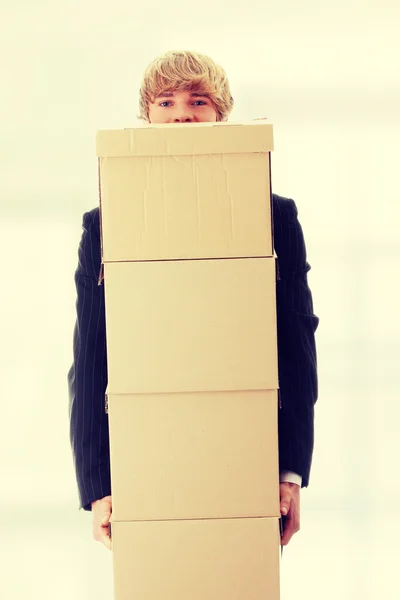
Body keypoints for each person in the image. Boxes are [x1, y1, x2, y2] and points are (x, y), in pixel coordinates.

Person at [67, 49, 319, 552]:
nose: (182, 112)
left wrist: (289, 473)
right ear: (148, 117)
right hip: (148, 445)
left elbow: (295, 344)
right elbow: (92, 355)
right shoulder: (106, 222)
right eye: (166, 100)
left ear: (220, 116)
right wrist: (98, 486)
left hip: (242, 444)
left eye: (198, 100)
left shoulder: (274, 216)